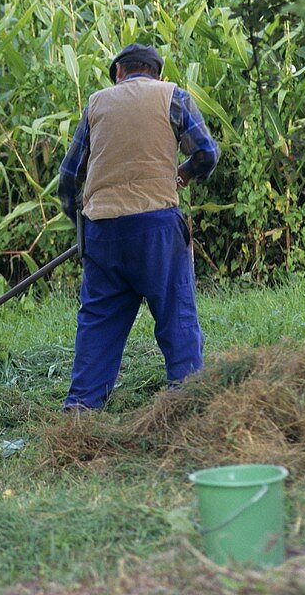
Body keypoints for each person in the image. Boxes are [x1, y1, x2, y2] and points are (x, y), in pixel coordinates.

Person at [57, 43, 220, 410]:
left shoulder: (97, 103)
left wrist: (82, 229)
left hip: (103, 231)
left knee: (98, 323)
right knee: (176, 316)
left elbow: (68, 177)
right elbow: (206, 153)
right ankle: (187, 403)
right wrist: (185, 174)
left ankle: (81, 409)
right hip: (157, 227)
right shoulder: (172, 97)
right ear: (155, 74)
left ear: (119, 73)